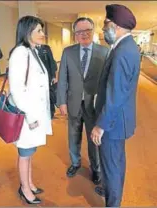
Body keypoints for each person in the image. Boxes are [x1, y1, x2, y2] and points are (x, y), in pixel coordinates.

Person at [91, 4, 141, 207]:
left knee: (111, 166)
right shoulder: (125, 46)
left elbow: (116, 94)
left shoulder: (122, 52)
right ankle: (110, 190)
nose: (103, 29)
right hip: (119, 120)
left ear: (116, 26)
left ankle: (113, 203)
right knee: (116, 162)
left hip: (112, 123)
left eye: (105, 24)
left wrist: (100, 125)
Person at [57, 17, 108, 184]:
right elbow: (62, 78)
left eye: (87, 31)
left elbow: (108, 81)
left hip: (94, 105)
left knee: (94, 138)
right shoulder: (68, 52)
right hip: (73, 103)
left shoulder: (104, 52)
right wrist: (62, 102)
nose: (84, 34)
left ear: (93, 32)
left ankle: (96, 168)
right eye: (79, 32)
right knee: (73, 135)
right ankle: (75, 162)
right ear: (75, 35)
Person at [8, 15, 52, 204]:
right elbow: (17, 90)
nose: (43, 34)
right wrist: (31, 117)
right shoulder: (20, 53)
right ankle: (25, 188)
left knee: (30, 152)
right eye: (39, 31)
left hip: (34, 114)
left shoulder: (32, 50)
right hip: (27, 116)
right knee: (25, 153)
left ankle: (30, 182)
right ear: (27, 32)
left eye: (42, 30)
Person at [36, 44, 58, 118]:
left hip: (47, 76)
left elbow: (51, 62)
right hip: (36, 78)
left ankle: (51, 112)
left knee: (49, 94)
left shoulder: (46, 48)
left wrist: (54, 76)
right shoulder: (29, 49)